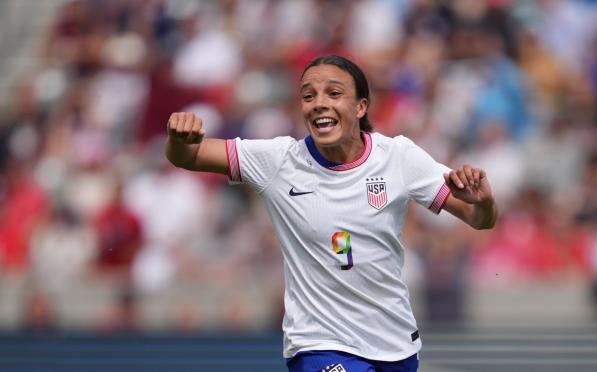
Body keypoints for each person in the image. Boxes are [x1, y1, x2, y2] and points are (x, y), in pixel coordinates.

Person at [166, 55, 497, 372]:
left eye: (334, 93)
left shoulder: (398, 156)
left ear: (360, 107)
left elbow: (479, 219)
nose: (319, 103)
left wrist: (482, 202)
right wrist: (180, 139)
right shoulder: (279, 160)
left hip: (395, 341)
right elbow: (189, 156)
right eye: (308, 96)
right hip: (318, 342)